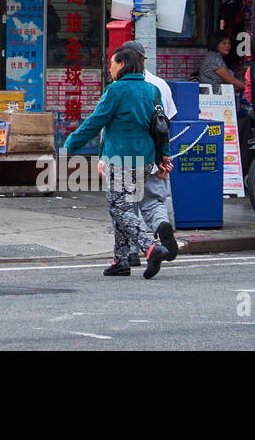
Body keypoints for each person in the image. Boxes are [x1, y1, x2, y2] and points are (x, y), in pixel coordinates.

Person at [63, 46, 172, 279]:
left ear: (122, 64)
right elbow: (161, 126)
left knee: (119, 207)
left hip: (121, 159)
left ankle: (150, 247)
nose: (109, 68)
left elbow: (94, 123)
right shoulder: (152, 91)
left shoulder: (115, 91)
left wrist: (68, 147)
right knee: (124, 205)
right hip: (145, 160)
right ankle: (120, 260)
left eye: (112, 63)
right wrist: (164, 155)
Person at [117, 40, 178, 267]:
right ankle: (161, 224)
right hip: (153, 157)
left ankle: (132, 252)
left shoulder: (119, 86)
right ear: (144, 59)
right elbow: (167, 123)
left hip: (126, 156)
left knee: (127, 205)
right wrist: (165, 156)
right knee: (154, 201)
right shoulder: (159, 85)